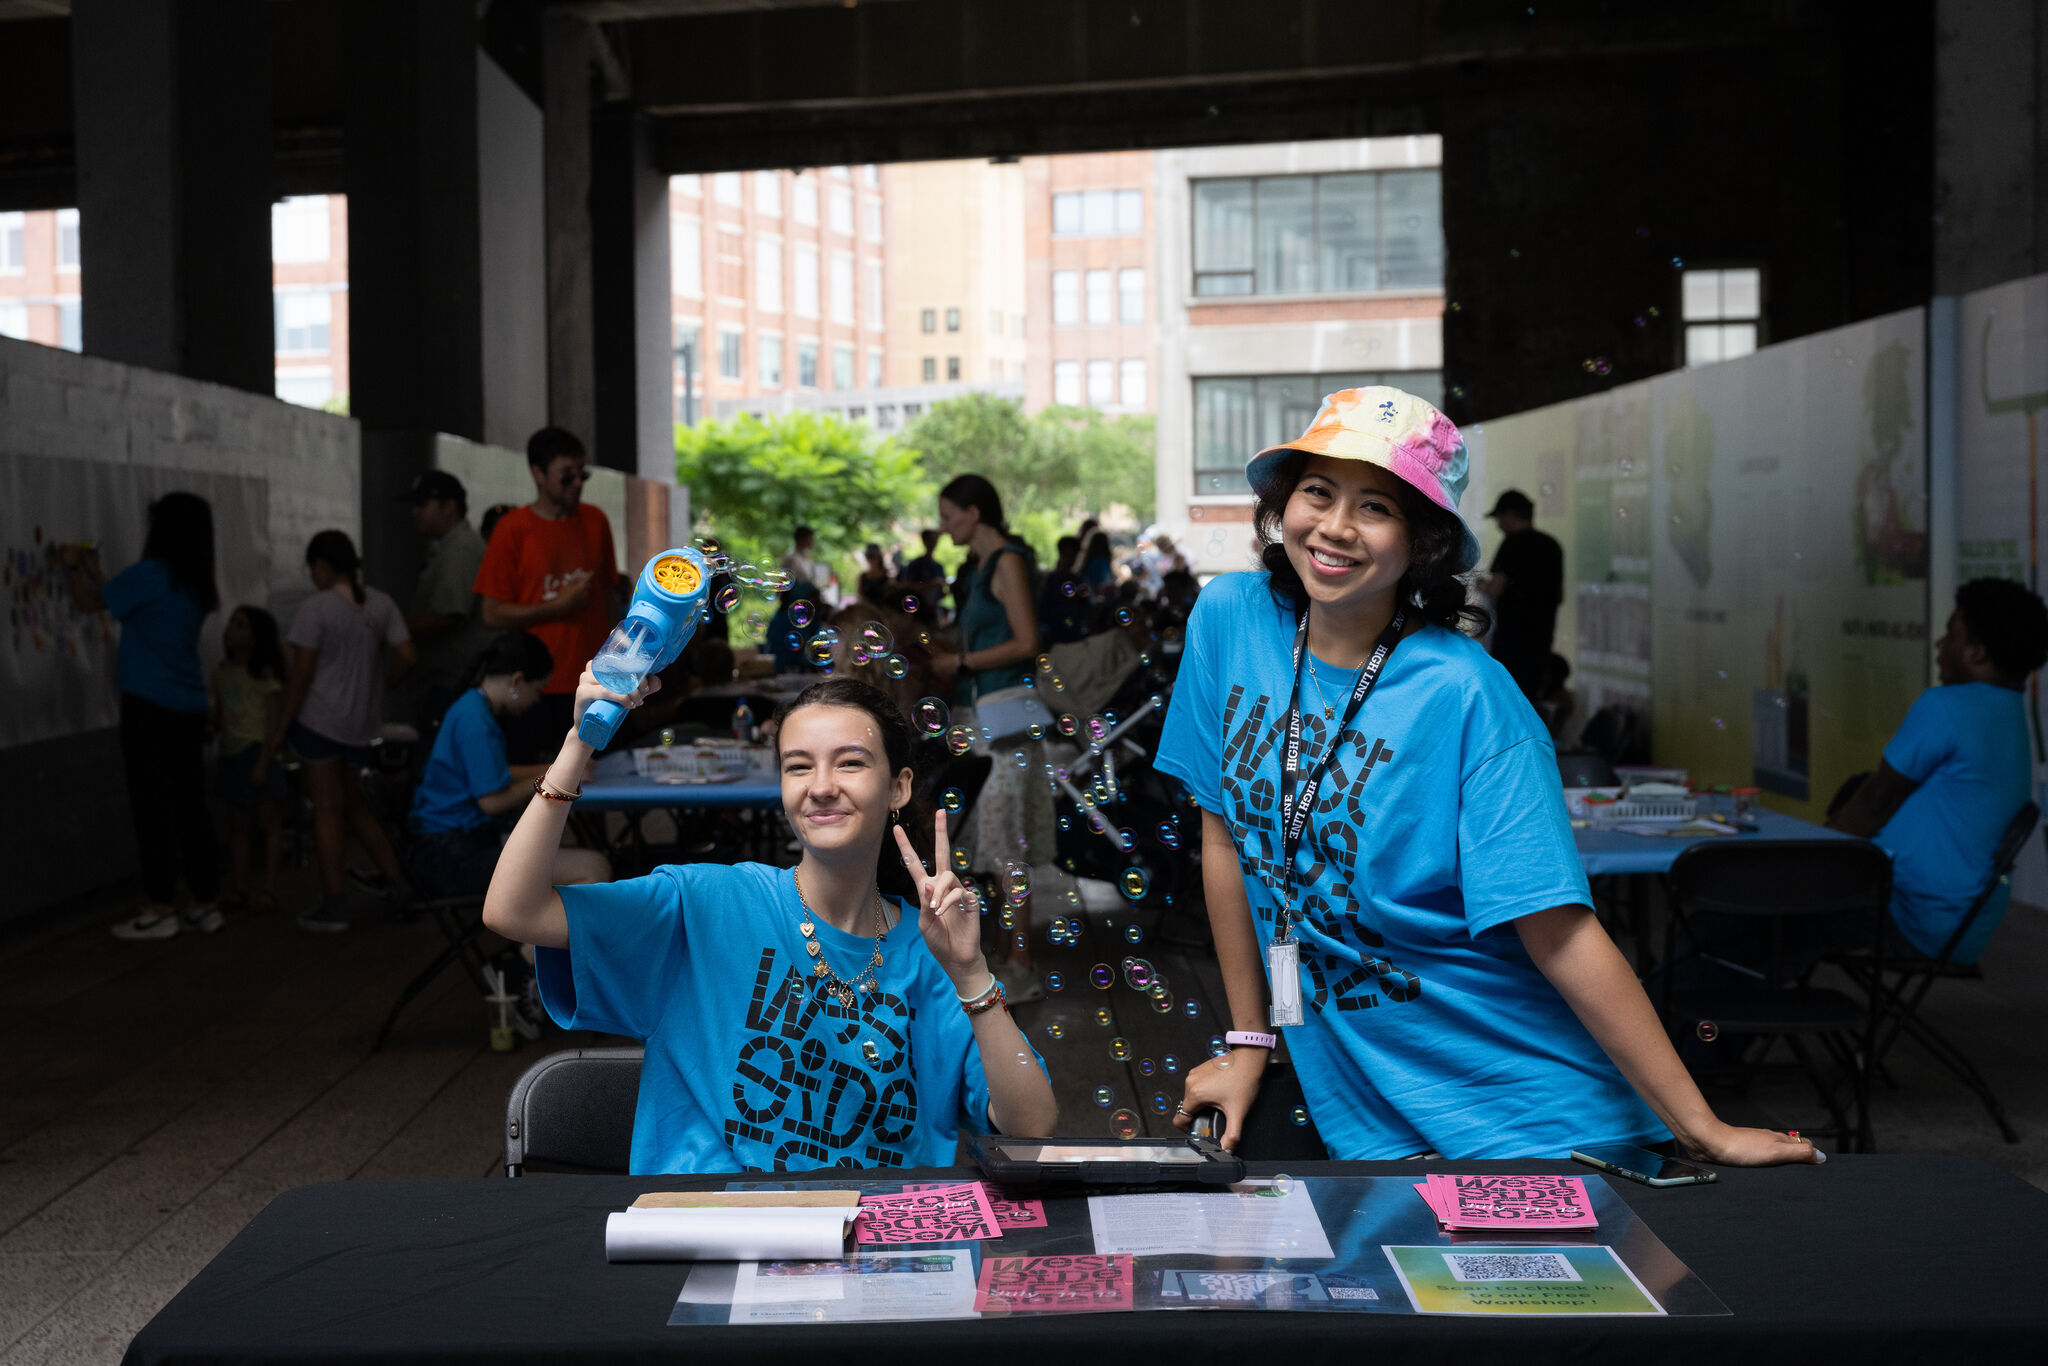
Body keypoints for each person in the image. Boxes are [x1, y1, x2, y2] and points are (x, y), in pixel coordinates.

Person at [1157, 385, 1820, 1166]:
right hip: (1357, 1094)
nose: (1334, 527)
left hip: (1517, 1109)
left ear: (1423, 541)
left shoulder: (1470, 695)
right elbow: (1226, 839)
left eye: (1376, 506)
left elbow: (1561, 930)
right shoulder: (1230, 620)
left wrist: (1701, 1128)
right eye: (1316, 491)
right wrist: (1247, 1042)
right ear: (1283, 502)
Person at [481, 674, 1058, 1171]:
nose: (822, 786)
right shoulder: (705, 903)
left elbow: (1031, 1128)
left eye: (851, 763)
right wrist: (579, 743)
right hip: (710, 1234)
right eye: (798, 766)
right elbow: (514, 912)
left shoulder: (930, 952)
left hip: (875, 1252)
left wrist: (971, 973)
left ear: (899, 787)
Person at [1826, 577, 2047, 964]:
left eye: (1950, 635)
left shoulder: (1947, 706)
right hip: (1958, 929)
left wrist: (1802, 861)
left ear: (1976, 654)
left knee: (1748, 915)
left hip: (1908, 917)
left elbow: (1876, 803)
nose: (1939, 645)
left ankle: (1704, 1022)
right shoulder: (2009, 712)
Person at [64, 491, 224, 939]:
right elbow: (122, 597)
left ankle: (160, 908)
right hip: (189, 707)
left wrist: (74, 564)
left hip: (148, 708)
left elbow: (87, 602)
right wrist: (100, 577)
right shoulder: (194, 581)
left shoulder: (150, 575)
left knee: (150, 807)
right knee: (190, 806)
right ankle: (206, 903)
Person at [258, 530, 416, 933]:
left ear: (323, 566)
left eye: (313, 567)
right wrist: (390, 682)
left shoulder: (317, 608)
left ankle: (333, 904)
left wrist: (279, 729)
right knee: (358, 806)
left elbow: (302, 673)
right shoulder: (380, 603)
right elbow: (407, 656)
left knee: (326, 811)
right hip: (363, 723)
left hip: (320, 722)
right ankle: (401, 886)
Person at [931, 474, 1051, 999]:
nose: (942, 527)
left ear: (974, 512)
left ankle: (1020, 965)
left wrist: (958, 658)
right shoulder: (978, 569)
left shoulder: (1006, 561)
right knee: (989, 841)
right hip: (985, 717)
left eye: (948, 515)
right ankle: (1004, 955)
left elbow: (1027, 641)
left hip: (1007, 719)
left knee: (1005, 845)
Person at [407, 630, 610, 900]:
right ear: (517, 680)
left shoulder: (470, 707)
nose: (537, 699)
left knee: (562, 847)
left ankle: (533, 935)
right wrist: (552, 774)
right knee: (593, 867)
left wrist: (554, 766)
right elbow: (490, 801)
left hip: (447, 843)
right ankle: (534, 938)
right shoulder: (476, 722)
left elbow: (492, 774)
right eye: (537, 689)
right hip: (453, 854)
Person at [474, 427, 620, 762]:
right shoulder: (513, 529)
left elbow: (608, 597)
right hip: (536, 687)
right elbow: (491, 614)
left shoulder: (595, 521)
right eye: (566, 476)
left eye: (582, 474)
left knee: (595, 781)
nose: (577, 483)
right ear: (537, 474)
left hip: (594, 679)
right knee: (545, 785)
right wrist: (558, 606)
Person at [403, 470, 496, 727]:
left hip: (458, 681)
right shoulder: (449, 546)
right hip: (454, 680)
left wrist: (393, 630)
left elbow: (449, 616)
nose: (414, 512)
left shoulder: (461, 548)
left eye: (422, 505)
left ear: (449, 507)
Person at [212, 605, 288, 916]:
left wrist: (264, 760)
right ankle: (240, 886)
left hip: (256, 751)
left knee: (267, 822)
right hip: (232, 753)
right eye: (231, 623)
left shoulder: (265, 678)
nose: (231, 629)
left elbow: (273, 724)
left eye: (240, 625)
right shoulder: (221, 674)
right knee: (238, 826)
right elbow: (220, 714)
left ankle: (268, 887)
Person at [1483, 489, 1564, 697]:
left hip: (1511, 639)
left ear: (1509, 514)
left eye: (1499, 518)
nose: (1499, 524)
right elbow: (1558, 595)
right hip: (1541, 638)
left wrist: (1478, 585)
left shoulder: (1512, 544)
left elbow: (1495, 589)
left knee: (1507, 696)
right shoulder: (1551, 545)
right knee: (1529, 697)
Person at [901, 529, 947, 616]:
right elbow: (907, 585)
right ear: (924, 541)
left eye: (935, 540)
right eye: (931, 540)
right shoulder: (916, 564)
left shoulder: (938, 566)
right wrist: (931, 584)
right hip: (919, 612)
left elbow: (942, 593)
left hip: (934, 609)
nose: (933, 543)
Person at [781, 525, 824, 601]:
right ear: (801, 539)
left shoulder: (805, 555)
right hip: (796, 599)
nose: (812, 540)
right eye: (810, 538)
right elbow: (791, 584)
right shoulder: (792, 557)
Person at [857, 543, 891, 608]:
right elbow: (859, 596)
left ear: (879, 557)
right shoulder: (863, 576)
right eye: (869, 557)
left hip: (884, 611)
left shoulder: (887, 575)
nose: (871, 560)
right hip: (867, 611)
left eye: (873, 556)